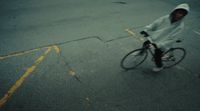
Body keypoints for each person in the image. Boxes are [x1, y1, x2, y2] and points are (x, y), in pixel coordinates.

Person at [140, 3, 190, 72]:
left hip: (163, 43)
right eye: (179, 12)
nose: (180, 15)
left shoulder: (180, 26)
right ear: (175, 11)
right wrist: (146, 29)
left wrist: (158, 45)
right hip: (156, 37)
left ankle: (160, 66)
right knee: (145, 43)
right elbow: (155, 23)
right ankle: (141, 52)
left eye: (183, 14)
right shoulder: (166, 18)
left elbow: (172, 39)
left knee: (157, 56)